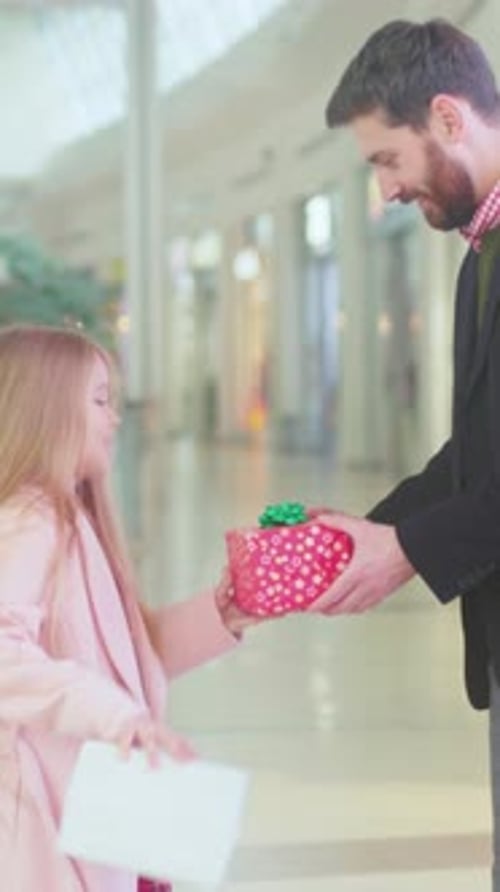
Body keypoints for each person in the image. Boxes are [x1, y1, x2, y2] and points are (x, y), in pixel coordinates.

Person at [309, 17, 500, 888]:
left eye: (388, 159)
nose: (384, 190)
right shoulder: (480, 257)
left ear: (448, 119)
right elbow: (480, 449)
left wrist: (410, 554)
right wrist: (372, 529)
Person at [0, 324, 254, 892]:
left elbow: (125, 659)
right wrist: (118, 718)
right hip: (51, 831)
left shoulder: (72, 520)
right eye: (98, 400)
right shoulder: (30, 520)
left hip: (99, 817)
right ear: (47, 409)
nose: (115, 419)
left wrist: (226, 612)